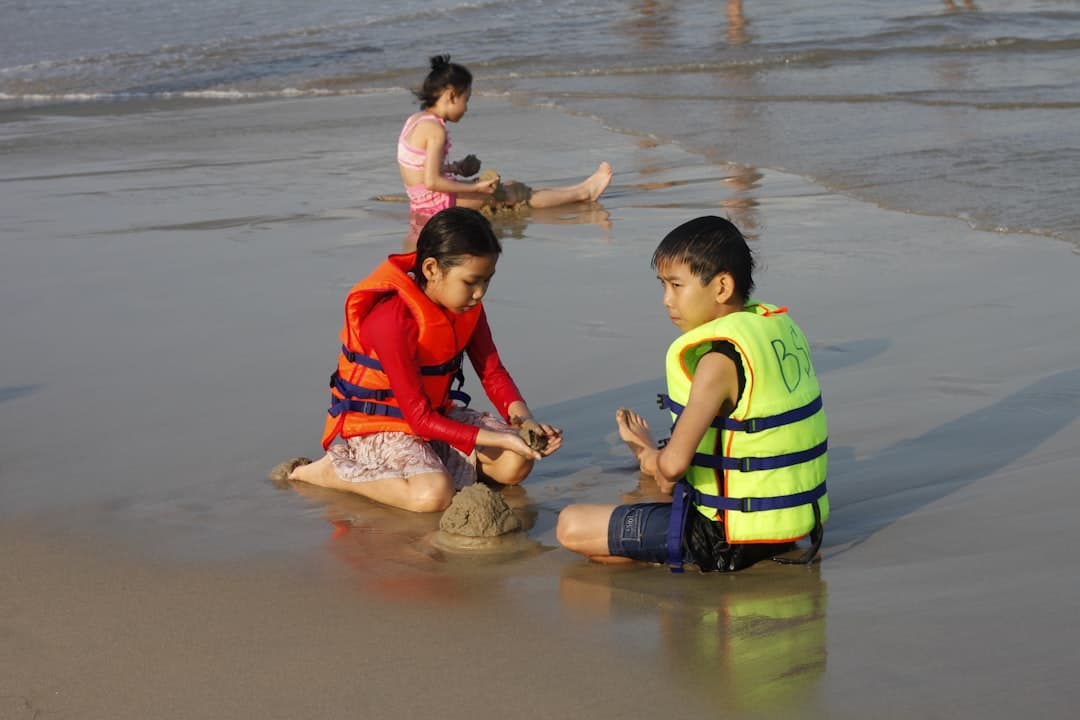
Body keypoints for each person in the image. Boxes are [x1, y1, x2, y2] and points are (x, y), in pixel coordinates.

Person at [556, 216, 829, 572]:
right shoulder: (774, 329)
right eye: (663, 286)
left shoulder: (716, 362)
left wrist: (646, 453)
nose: (667, 300)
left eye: (676, 285)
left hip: (724, 539)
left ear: (721, 287)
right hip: (791, 527)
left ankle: (680, 558)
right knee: (609, 544)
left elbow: (672, 469)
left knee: (571, 525)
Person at [277, 207, 562, 512]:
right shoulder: (391, 319)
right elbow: (418, 419)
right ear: (430, 269)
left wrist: (525, 422)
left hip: (435, 417)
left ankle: (432, 466)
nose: (480, 293)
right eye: (471, 281)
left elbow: (492, 372)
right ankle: (331, 472)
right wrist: (502, 440)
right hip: (380, 426)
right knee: (433, 496)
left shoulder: (466, 308)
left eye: (486, 281)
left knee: (517, 462)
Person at [398, 55, 613, 219]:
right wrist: (475, 188)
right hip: (438, 204)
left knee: (507, 187)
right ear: (451, 96)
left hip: (422, 202)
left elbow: (421, 170)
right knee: (514, 195)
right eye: (466, 99)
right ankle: (583, 193)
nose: (466, 108)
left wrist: (456, 168)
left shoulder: (416, 120)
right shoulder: (436, 130)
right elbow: (432, 181)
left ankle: (579, 188)